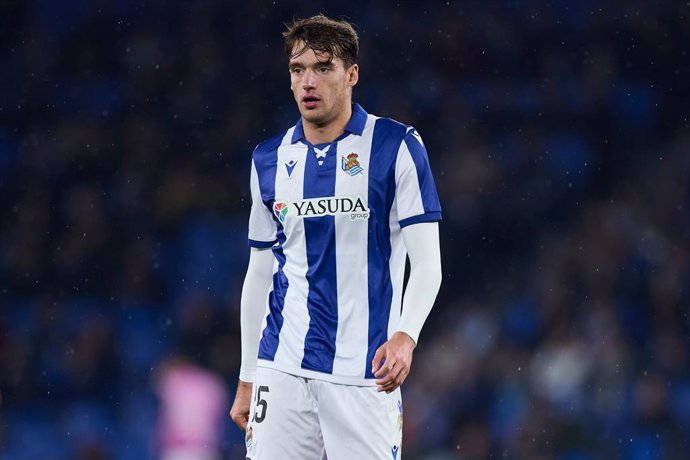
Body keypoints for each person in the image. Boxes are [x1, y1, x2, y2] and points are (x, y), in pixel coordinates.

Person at [229, 14, 442, 460]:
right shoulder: (268, 159)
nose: (308, 81)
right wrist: (249, 375)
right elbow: (260, 272)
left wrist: (406, 335)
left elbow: (427, 263)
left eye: (323, 68)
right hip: (282, 366)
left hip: (365, 371)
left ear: (352, 74)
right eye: (297, 69)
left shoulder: (396, 146)